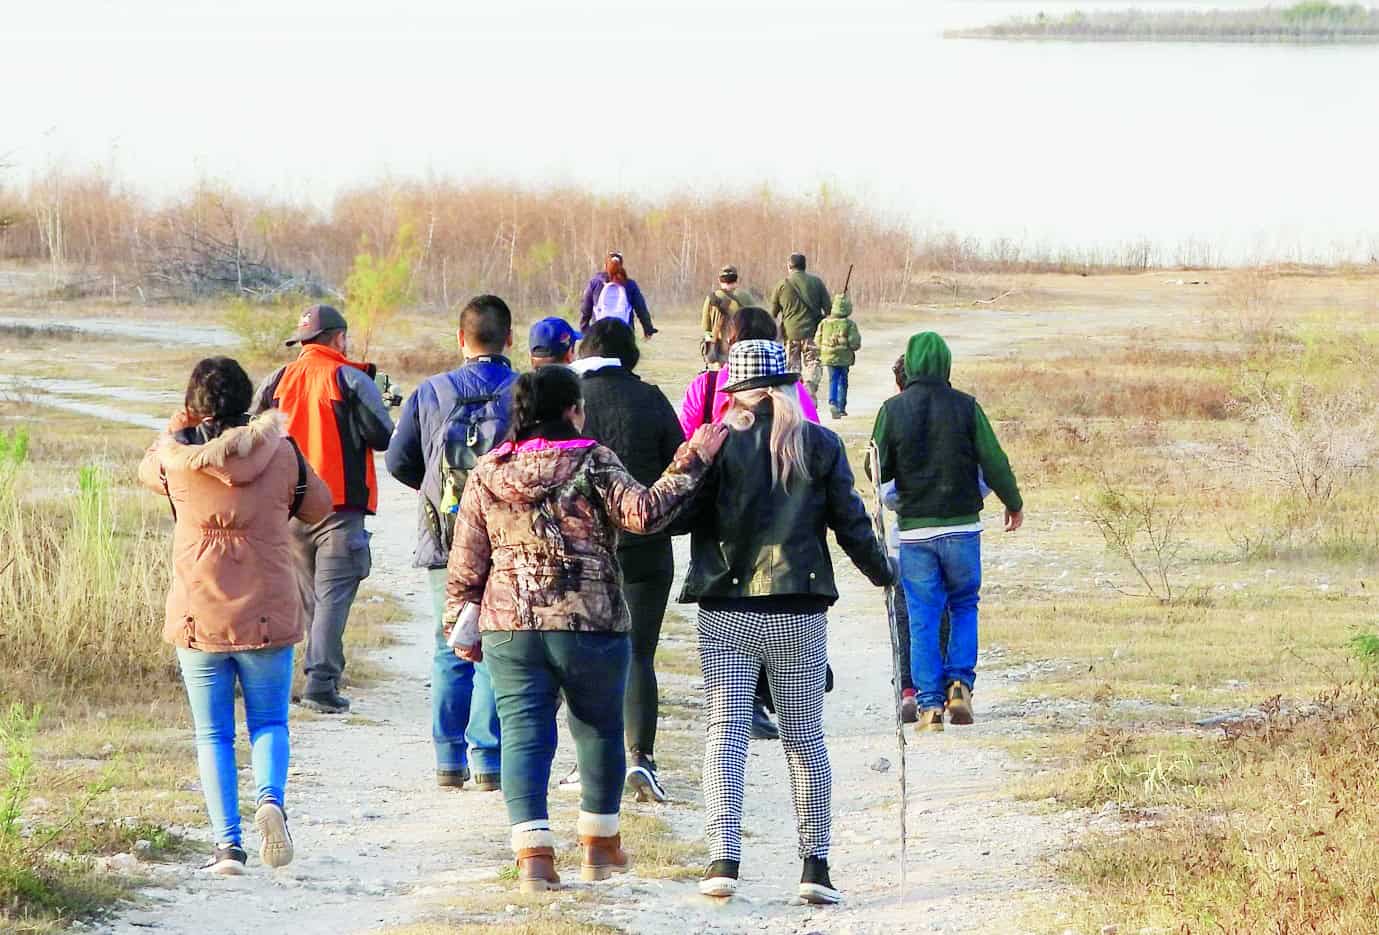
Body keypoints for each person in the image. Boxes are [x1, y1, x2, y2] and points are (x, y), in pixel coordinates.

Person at [444, 366, 726, 893]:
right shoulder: (593, 459)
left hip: (510, 624)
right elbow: (644, 514)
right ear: (573, 410)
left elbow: (465, 562)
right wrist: (694, 456)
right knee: (598, 729)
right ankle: (599, 847)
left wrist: (457, 622)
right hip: (590, 619)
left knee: (524, 736)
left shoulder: (487, 472)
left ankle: (534, 858)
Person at [677, 339, 892, 905]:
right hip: (799, 608)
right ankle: (814, 869)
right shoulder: (819, 443)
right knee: (804, 739)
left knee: (726, 736)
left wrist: (690, 460)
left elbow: (676, 519)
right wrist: (883, 573)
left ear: (734, 392)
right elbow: (851, 523)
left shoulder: (715, 445)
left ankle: (723, 860)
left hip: (726, 608)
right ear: (788, 385)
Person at [139, 357, 333, 875]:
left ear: (194, 403)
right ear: (248, 398)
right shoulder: (281, 450)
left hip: (199, 612)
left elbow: (145, 471)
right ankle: (270, 800)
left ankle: (227, 847)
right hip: (268, 608)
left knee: (214, 735)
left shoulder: (175, 458)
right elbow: (319, 507)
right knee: (269, 721)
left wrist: (175, 426)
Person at [385, 295, 518, 791]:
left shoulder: (431, 391)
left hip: (446, 535)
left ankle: (447, 759)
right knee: (496, 646)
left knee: (449, 644)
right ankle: (488, 761)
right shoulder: (524, 392)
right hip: (507, 541)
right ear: (510, 338)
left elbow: (398, 461)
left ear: (461, 339)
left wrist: (435, 492)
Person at [871, 332, 1024, 732]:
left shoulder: (892, 410)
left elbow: (876, 468)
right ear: (946, 363)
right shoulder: (966, 407)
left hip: (915, 534)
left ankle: (929, 706)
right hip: (962, 528)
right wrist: (1013, 502)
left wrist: (900, 486)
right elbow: (994, 460)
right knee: (963, 605)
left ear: (911, 365)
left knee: (922, 615)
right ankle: (959, 685)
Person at [253, 305, 395, 715]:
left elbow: (252, 432)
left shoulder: (277, 380)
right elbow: (383, 436)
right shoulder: (349, 378)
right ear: (339, 338)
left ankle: (312, 677)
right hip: (339, 507)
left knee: (311, 599)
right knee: (332, 598)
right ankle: (320, 683)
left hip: (289, 509)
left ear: (302, 342)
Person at [573, 319, 684, 802]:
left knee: (584, 656)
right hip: (646, 544)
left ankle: (590, 762)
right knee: (639, 654)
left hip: (582, 550)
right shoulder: (652, 399)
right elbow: (680, 468)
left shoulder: (572, 399)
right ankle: (641, 757)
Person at [678, 306, 822, 438]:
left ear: (730, 341)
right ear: (773, 340)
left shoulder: (705, 386)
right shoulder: (793, 389)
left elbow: (682, 439)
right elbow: (815, 439)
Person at [768, 253, 831, 400]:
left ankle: (795, 395)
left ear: (789, 266)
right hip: (813, 333)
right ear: (804, 266)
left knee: (792, 366)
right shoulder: (817, 282)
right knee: (813, 362)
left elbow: (772, 313)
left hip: (790, 333)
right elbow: (828, 309)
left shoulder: (781, 285)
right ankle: (809, 387)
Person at [578, 251, 657, 339]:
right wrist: (648, 329)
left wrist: (584, 330)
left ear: (605, 265)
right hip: (625, 334)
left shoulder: (595, 283)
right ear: (621, 265)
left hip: (599, 333)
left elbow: (585, 309)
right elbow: (641, 308)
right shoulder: (630, 285)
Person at [699, 265, 755, 368]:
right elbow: (755, 323)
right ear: (736, 279)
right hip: (742, 348)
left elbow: (706, 327)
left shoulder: (712, 298)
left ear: (719, 280)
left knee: (720, 375)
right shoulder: (746, 297)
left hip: (719, 349)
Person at [817, 291, 862, 419]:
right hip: (844, 358)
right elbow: (854, 343)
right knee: (843, 381)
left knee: (833, 379)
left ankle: (832, 401)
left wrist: (822, 350)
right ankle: (841, 408)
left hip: (828, 358)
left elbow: (817, 340)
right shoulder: (849, 324)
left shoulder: (824, 323)